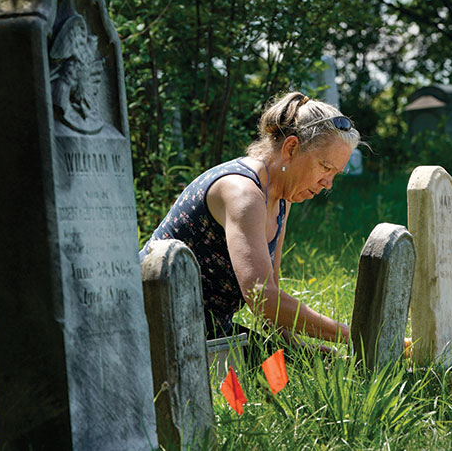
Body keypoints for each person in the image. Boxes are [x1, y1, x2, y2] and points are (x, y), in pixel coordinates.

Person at [140, 91, 360, 351]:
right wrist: (357, 336)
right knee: (257, 385)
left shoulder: (280, 198)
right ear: (290, 148)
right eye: (325, 167)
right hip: (152, 332)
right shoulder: (242, 193)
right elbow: (264, 300)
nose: (328, 184)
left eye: (335, 173)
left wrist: (301, 352)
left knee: (304, 370)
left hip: (206, 333)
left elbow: (272, 297)